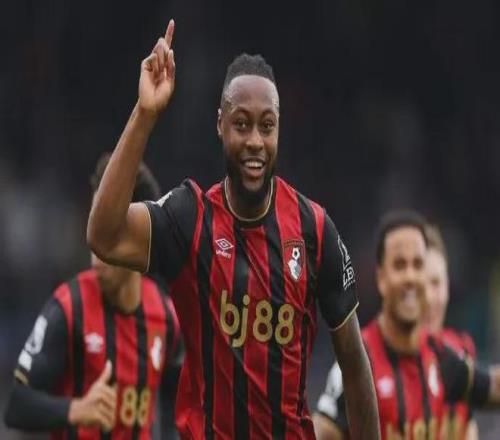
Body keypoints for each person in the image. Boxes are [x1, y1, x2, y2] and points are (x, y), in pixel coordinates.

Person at [86, 19, 380, 439]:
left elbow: (353, 362)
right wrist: (145, 114)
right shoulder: (190, 217)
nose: (255, 141)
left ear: (279, 130)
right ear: (220, 124)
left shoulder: (314, 229)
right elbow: (104, 236)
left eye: (267, 125)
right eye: (242, 124)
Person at [4, 154, 183, 439]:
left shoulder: (166, 317)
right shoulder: (69, 307)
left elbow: (176, 405)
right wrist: (75, 409)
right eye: (93, 232)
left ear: (134, 241)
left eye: (107, 236)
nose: (96, 254)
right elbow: (17, 406)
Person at [313, 210, 500, 440]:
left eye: (418, 265)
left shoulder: (442, 358)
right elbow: (320, 430)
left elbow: (493, 388)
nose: (410, 277)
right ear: (381, 278)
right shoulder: (359, 360)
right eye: (400, 265)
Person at [423, 224, 478, 440]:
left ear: (447, 286)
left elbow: (469, 430)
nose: (428, 298)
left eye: (436, 283)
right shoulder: (371, 356)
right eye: (421, 285)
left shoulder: (462, 351)